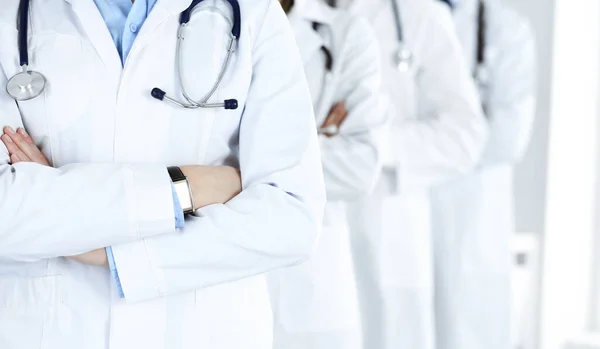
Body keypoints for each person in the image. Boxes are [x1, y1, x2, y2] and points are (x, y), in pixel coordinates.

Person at [0, 0, 326, 348]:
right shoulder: (11, 14)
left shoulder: (254, 13)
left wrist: (111, 255)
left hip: (206, 330)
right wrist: (187, 188)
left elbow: (292, 215)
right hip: (51, 331)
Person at [324, 0, 488, 348]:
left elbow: (465, 136)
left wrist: (369, 139)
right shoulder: (289, 13)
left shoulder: (419, 15)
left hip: (388, 228)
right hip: (312, 231)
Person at [268, 1, 386, 348]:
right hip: (222, 283)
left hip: (310, 286)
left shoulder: (346, 34)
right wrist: (314, 142)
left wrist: (235, 166)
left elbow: (360, 167)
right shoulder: (205, 23)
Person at [430, 1, 536, 348]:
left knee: (468, 329)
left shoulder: (508, 31)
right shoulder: (394, 20)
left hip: (473, 217)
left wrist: (424, 144)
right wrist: (450, 139)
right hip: (407, 213)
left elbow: (508, 138)